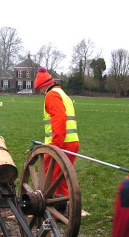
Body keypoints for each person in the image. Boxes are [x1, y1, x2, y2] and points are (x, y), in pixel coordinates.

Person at [33, 67, 79, 196]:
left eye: (39, 90)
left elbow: (60, 118)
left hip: (61, 143)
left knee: (50, 178)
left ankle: (51, 210)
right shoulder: (63, 94)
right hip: (72, 142)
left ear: (43, 86)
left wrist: (55, 146)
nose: (40, 93)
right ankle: (66, 206)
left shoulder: (51, 95)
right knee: (63, 178)